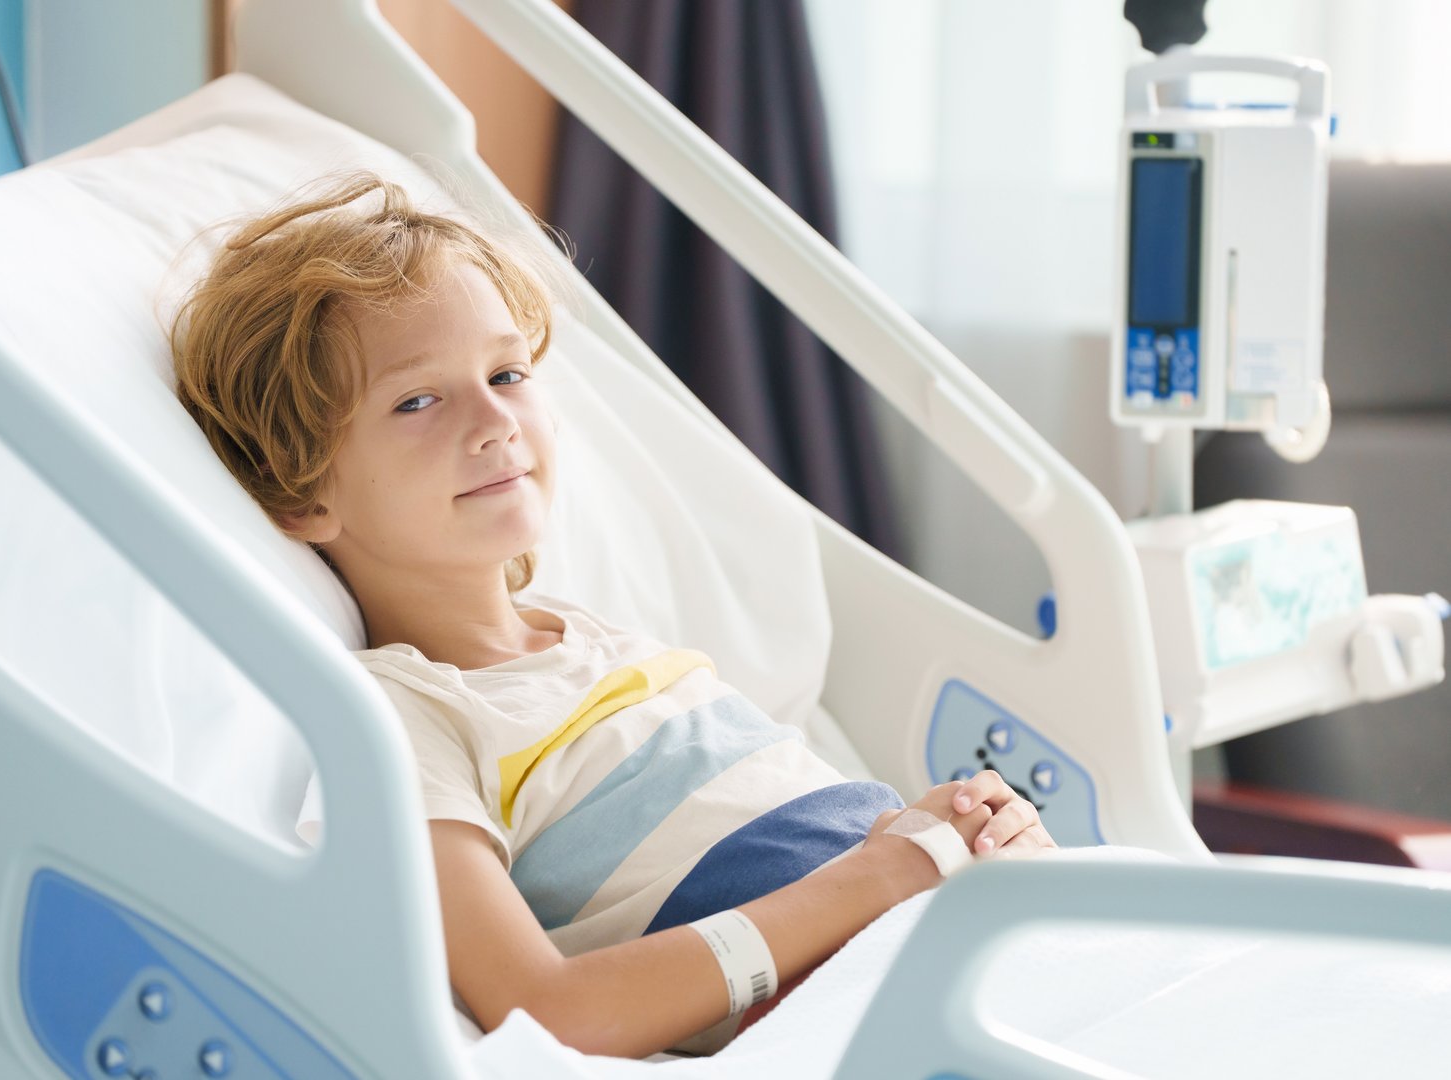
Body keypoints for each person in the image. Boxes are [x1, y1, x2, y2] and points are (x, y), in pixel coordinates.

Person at [170, 169, 1058, 1060]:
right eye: (417, 400)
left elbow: (832, 845)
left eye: (507, 373)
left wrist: (970, 839)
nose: (495, 421)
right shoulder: (404, 720)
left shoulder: (605, 644)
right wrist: (888, 874)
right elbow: (550, 1013)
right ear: (300, 496)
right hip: (865, 1009)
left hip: (964, 942)